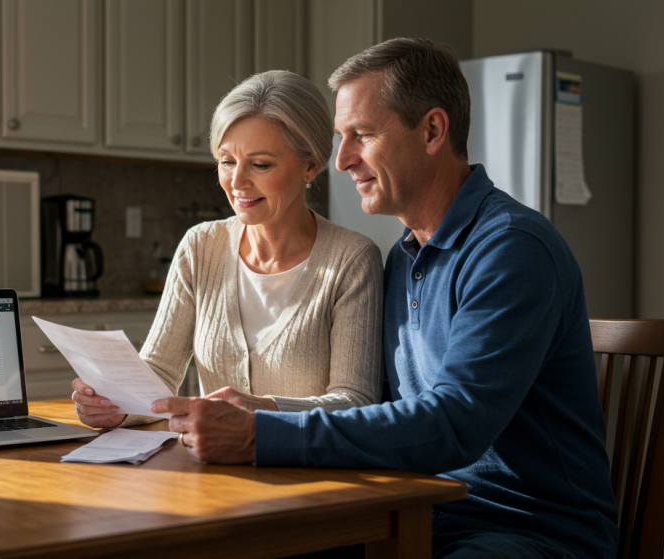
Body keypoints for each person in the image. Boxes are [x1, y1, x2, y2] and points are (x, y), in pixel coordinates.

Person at [152, 39, 619, 559]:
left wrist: (261, 434)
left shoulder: (511, 249)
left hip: (523, 528)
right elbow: (377, 407)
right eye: (340, 138)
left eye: (363, 135)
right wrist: (260, 413)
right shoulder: (406, 257)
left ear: (433, 131)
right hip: (410, 507)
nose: (343, 160)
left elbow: (452, 423)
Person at [72, 70, 384, 429]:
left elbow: (355, 402)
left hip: (308, 475)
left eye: (260, 164)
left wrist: (259, 408)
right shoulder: (200, 246)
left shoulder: (353, 259)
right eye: (227, 161)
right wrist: (116, 405)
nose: (236, 182)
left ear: (310, 166)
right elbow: (158, 372)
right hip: (216, 475)